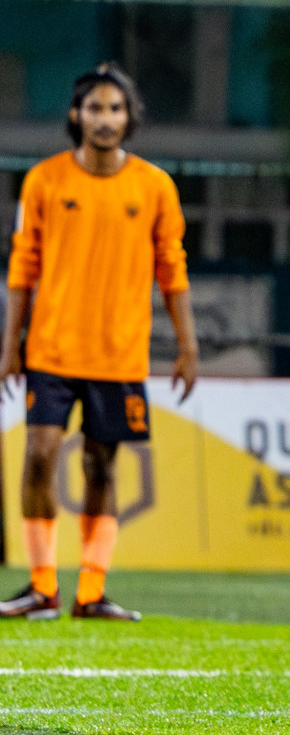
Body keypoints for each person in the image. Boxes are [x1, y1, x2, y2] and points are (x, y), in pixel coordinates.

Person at [0, 63, 198, 622]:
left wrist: (188, 347)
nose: (105, 118)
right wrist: (8, 345)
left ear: (130, 117)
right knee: (39, 456)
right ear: (75, 115)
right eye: (95, 108)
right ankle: (42, 587)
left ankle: (91, 592)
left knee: (102, 467)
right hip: (51, 349)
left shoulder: (155, 186)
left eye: (115, 108)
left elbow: (172, 271)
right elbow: (22, 270)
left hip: (118, 352)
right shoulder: (44, 181)